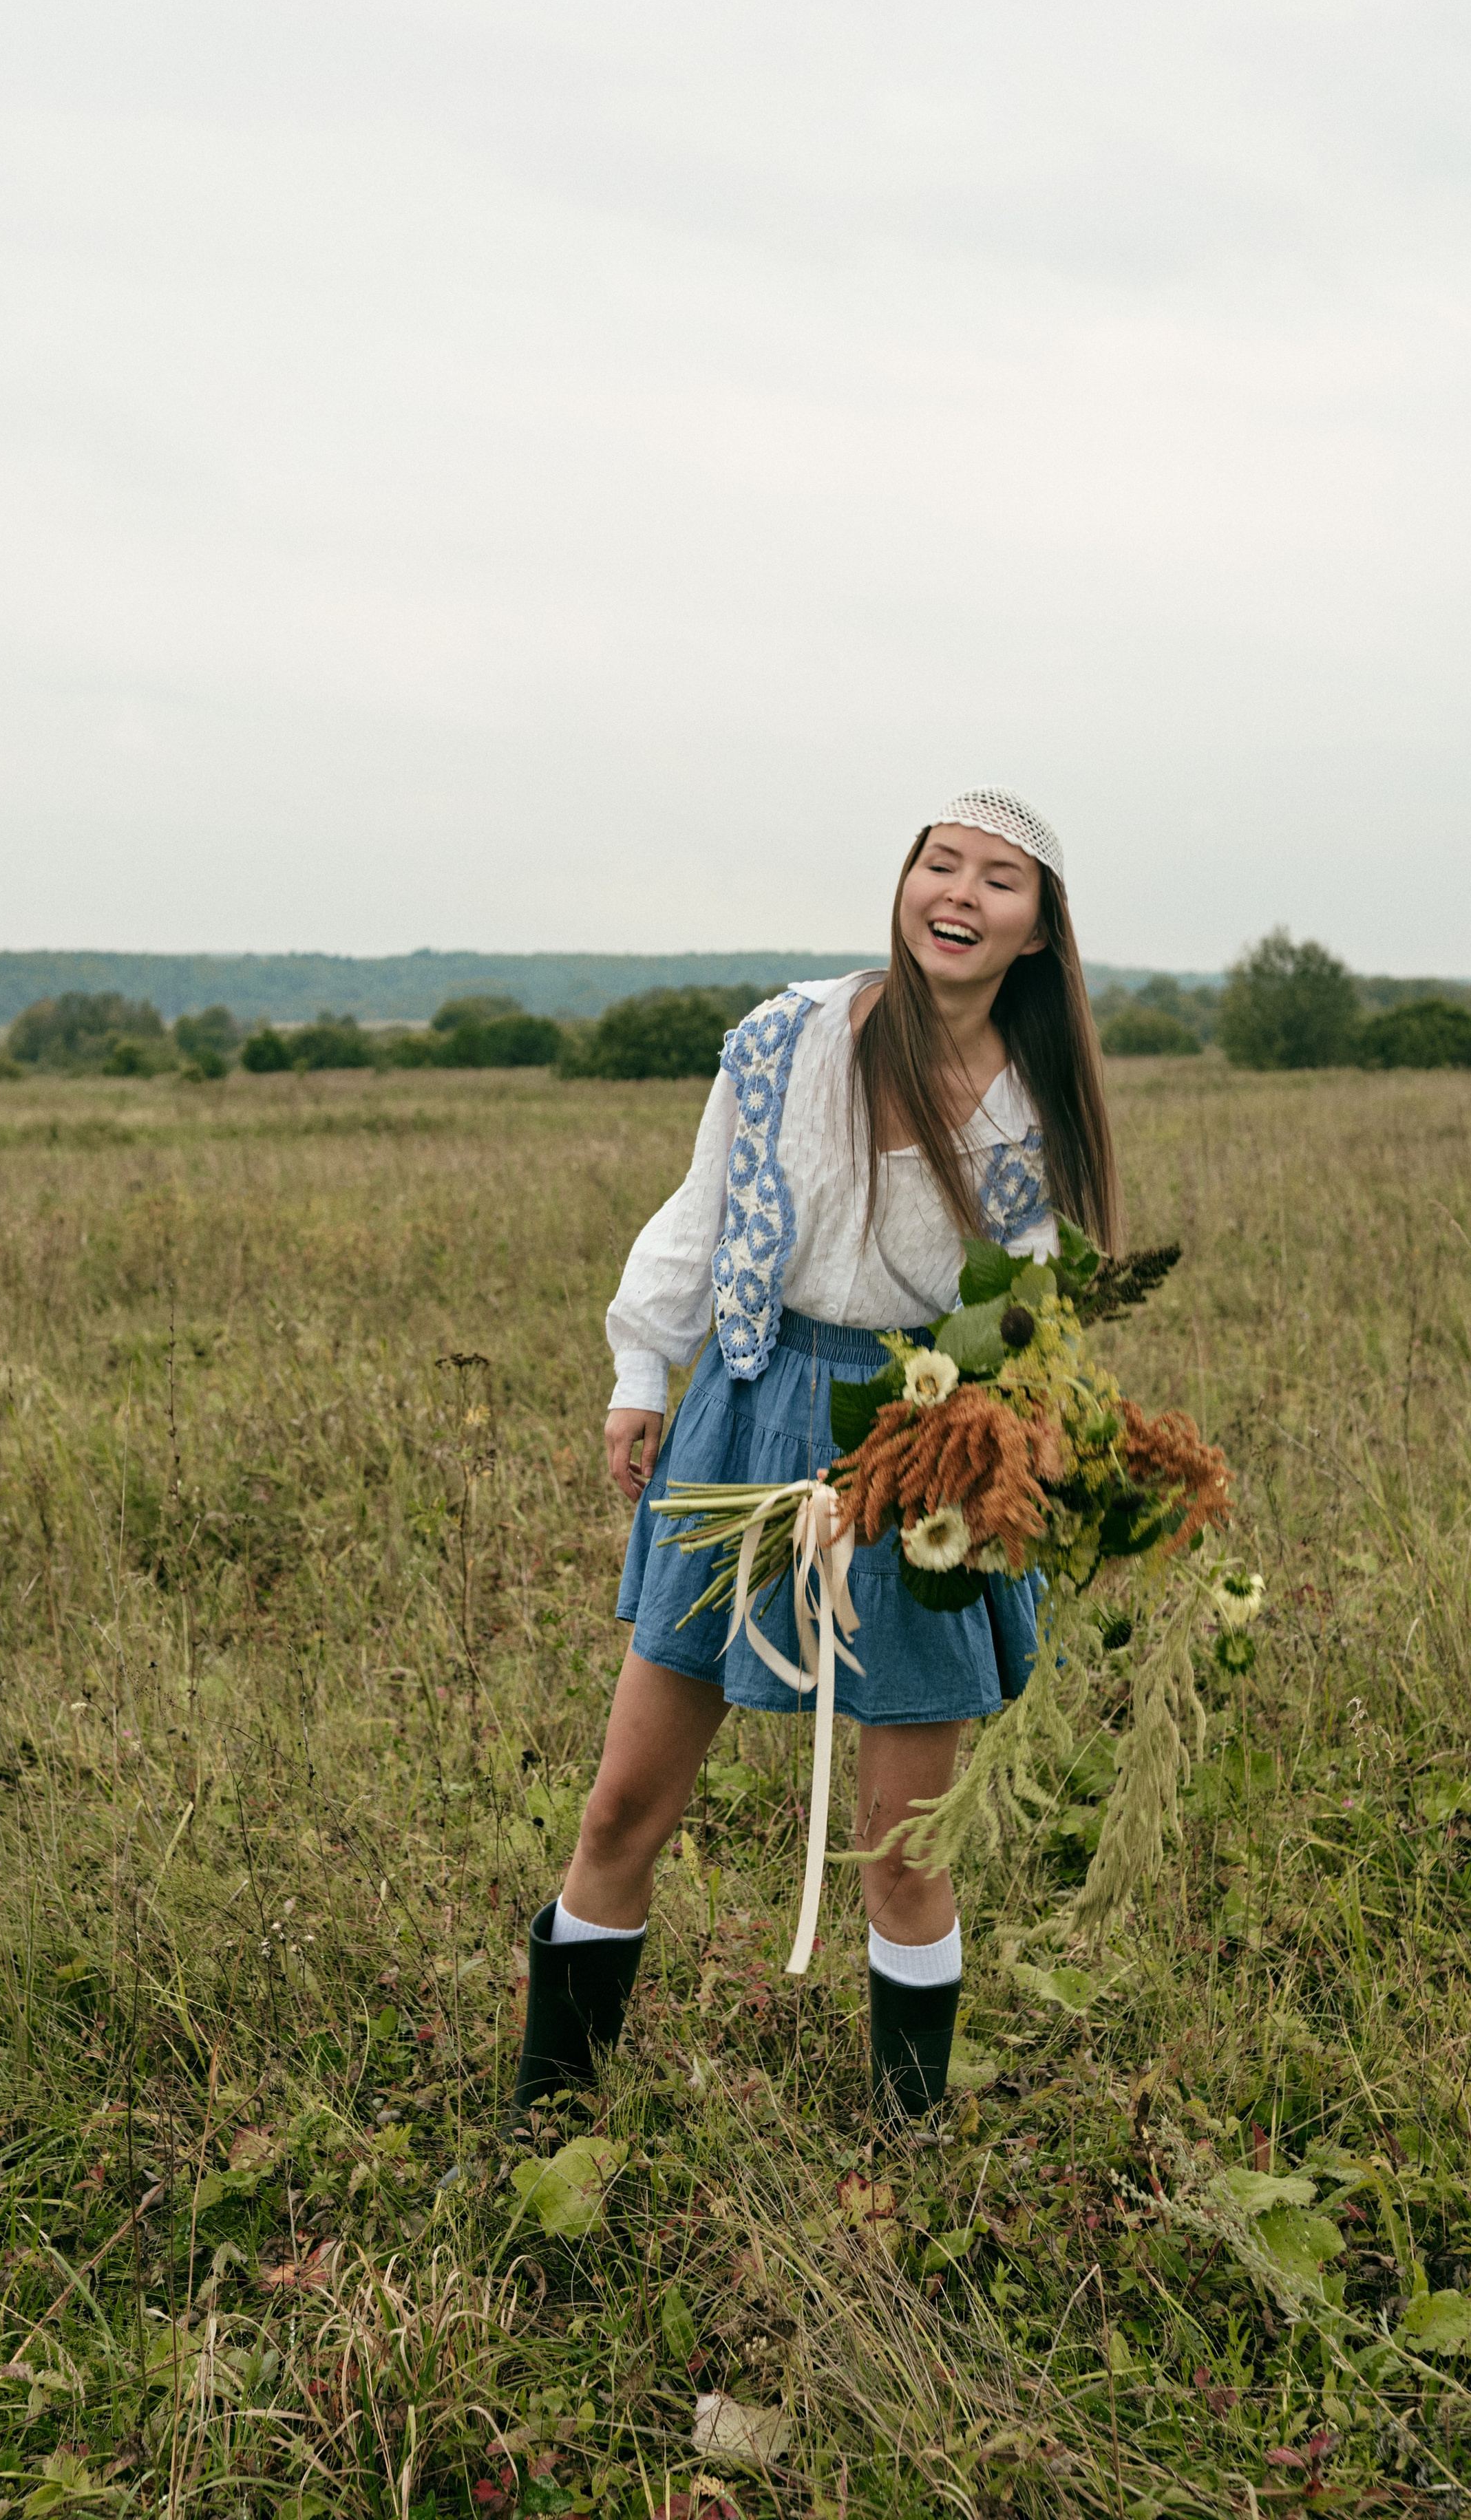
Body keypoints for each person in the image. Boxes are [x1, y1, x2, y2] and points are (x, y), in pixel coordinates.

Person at [509, 787, 1124, 2126]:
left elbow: (1020, 1327)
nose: (956, 893)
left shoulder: (1031, 1114)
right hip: (743, 1404)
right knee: (619, 1809)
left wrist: (911, 1463)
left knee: (903, 1856)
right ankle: (544, 2124)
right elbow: (703, 1206)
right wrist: (637, 1368)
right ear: (904, 886)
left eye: (997, 879)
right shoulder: (787, 1035)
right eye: (937, 863)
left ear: (1035, 929)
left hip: (922, 1447)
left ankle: (908, 2150)